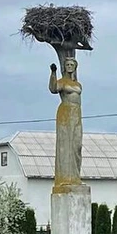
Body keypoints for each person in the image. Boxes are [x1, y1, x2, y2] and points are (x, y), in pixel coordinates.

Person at [48, 56, 83, 186]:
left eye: (71, 64)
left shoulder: (78, 84)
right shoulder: (62, 82)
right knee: (65, 145)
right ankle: (64, 178)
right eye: (67, 64)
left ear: (75, 67)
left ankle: (75, 176)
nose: (69, 66)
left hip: (77, 113)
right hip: (65, 112)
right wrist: (53, 73)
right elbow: (53, 88)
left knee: (77, 146)